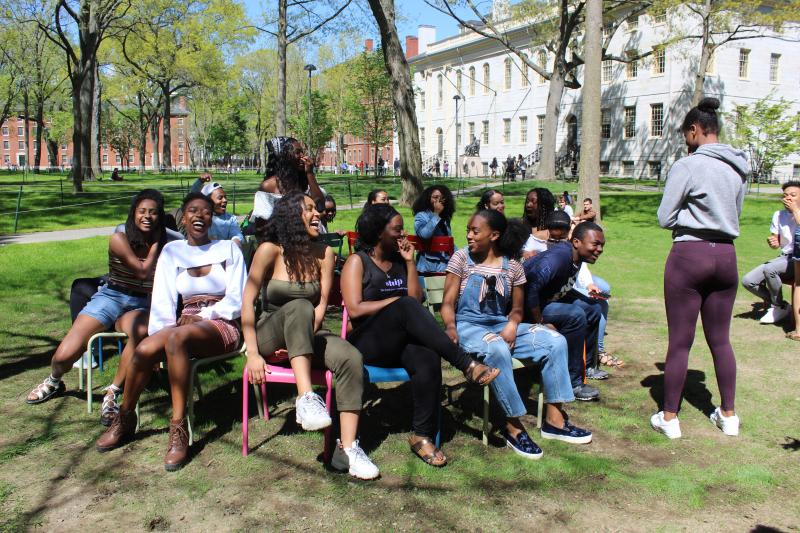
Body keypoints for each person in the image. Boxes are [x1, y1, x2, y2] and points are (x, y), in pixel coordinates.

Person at [95, 192, 247, 470]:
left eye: (205, 211)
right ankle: (125, 418)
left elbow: (237, 299)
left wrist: (203, 316)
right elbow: (162, 302)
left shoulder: (229, 249)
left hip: (222, 321)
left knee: (177, 338)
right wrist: (159, 334)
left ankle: (178, 430)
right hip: (184, 323)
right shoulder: (172, 252)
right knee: (144, 349)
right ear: (183, 218)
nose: (199, 216)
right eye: (192, 211)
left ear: (212, 217)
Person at [340, 204, 500, 467]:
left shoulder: (400, 262)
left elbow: (415, 299)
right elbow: (355, 309)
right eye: (396, 229)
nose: (403, 233)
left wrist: (410, 262)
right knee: (402, 305)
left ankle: (421, 435)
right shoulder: (358, 262)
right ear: (379, 232)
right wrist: (394, 303)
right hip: (366, 343)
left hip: (397, 343)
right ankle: (466, 363)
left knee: (426, 355)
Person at [241, 192, 379, 479]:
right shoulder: (269, 250)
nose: (317, 214)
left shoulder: (324, 254)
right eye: (309, 210)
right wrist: (252, 352)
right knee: (299, 306)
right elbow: (247, 303)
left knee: (351, 357)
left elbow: (320, 308)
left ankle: (347, 449)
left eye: (317, 209)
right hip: (270, 334)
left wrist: (297, 340)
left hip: (304, 333)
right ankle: (305, 398)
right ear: (292, 216)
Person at [441, 210, 592, 459]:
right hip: (468, 327)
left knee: (555, 341)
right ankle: (512, 426)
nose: (468, 235)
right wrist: (449, 327)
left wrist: (512, 323)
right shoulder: (461, 259)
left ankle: (554, 420)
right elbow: (448, 304)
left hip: (502, 324)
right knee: (498, 348)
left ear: (494, 235)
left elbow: (519, 309)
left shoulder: (513, 267)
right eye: (468, 230)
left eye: (475, 231)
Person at [26, 190, 169, 427]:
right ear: (133, 213)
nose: (147, 217)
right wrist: (156, 245)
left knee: (141, 331)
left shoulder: (168, 241)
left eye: (153, 213)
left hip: (141, 302)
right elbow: (142, 271)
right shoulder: (119, 239)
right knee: (64, 355)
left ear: (160, 216)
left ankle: (112, 392)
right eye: (142, 211)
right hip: (111, 296)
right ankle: (54, 380)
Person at [651, 97, 749, 439]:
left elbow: (665, 217)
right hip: (726, 254)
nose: (685, 140)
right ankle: (729, 414)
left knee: (681, 341)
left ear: (695, 130)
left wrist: (689, 219)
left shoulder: (686, 166)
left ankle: (670, 417)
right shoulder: (739, 167)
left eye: (685, 133)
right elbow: (735, 212)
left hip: (689, 254)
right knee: (721, 340)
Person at [523, 222, 608, 401]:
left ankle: (589, 367)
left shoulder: (575, 257)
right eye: (595, 244)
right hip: (527, 308)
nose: (600, 249)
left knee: (592, 308)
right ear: (576, 242)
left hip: (548, 299)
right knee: (575, 315)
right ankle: (573, 382)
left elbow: (562, 286)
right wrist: (539, 323)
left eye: (602, 245)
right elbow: (529, 287)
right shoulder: (558, 258)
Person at [741, 181, 799, 324]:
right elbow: (776, 241)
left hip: (797, 259)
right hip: (784, 258)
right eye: (785, 195)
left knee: (770, 268)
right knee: (748, 281)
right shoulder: (778, 215)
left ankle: (777, 306)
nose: (788, 198)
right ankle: (783, 305)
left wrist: (796, 211)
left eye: (793, 195)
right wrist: (774, 242)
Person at [252, 137, 324, 223]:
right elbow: (262, 222)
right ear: (284, 157)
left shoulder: (304, 181)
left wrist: (310, 173)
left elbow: (320, 205)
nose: (303, 157)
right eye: (297, 152)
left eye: (302, 152)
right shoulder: (269, 185)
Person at [413, 185, 455, 274]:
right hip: (427, 267)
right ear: (428, 199)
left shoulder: (445, 217)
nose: (438, 201)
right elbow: (425, 235)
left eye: (441, 198)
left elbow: (447, 240)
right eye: (435, 197)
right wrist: (436, 214)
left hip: (445, 265)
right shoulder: (421, 215)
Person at [521, 188, 556, 259]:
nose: (528, 205)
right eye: (527, 201)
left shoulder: (554, 231)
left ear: (544, 205)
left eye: (533, 201)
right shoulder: (520, 228)